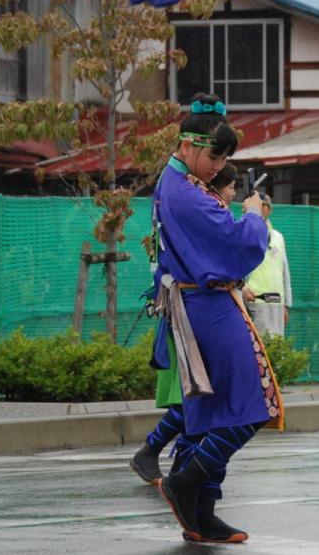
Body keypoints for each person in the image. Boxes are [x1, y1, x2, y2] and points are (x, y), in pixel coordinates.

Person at [151, 94, 281, 544]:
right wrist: (254, 217)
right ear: (188, 145)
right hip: (208, 304)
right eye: (215, 157)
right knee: (253, 406)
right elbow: (237, 242)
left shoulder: (175, 182)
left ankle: (201, 513)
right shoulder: (186, 193)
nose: (219, 167)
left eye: (224, 159)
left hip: (194, 303)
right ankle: (186, 484)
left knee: (208, 414)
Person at [129, 162, 240, 486]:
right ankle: (166, 459)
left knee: (198, 395)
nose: (234, 193)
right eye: (231, 186)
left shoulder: (184, 212)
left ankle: (173, 463)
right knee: (196, 395)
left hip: (190, 316)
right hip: (189, 319)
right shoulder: (200, 217)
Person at [242, 194, 292, 337]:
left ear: (269, 209)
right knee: (257, 343)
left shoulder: (278, 237)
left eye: (265, 205)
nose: (262, 208)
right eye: (260, 204)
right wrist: (242, 288)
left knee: (276, 344)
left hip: (276, 303)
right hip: (254, 300)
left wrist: (286, 304)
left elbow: (285, 272)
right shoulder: (244, 232)